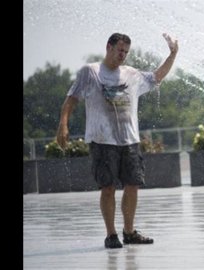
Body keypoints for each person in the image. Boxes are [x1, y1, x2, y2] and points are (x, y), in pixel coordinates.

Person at [55, 33, 178, 249]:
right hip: (102, 140)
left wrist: (173, 54)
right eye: (119, 50)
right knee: (108, 187)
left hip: (129, 140)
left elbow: (157, 76)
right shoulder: (90, 72)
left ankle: (129, 232)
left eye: (126, 52)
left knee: (133, 185)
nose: (123, 55)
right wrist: (63, 124)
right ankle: (111, 234)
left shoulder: (131, 74)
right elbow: (71, 99)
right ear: (108, 47)